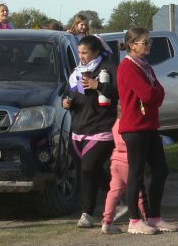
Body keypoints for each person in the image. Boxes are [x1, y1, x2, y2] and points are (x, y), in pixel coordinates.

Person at [117, 27, 177, 235]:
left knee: (161, 170)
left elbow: (158, 92)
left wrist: (154, 95)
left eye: (149, 42)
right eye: (145, 42)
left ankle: (154, 217)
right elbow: (149, 95)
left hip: (150, 126)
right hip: (135, 127)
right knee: (136, 174)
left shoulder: (145, 66)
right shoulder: (127, 67)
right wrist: (154, 95)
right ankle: (134, 220)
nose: (149, 45)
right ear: (132, 45)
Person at [62, 35, 118, 229]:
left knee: (88, 167)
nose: (81, 56)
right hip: (78, 127)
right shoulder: (78, 71)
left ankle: (86, 213)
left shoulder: (108, 69)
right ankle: (119, 198)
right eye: (79, 52)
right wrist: (67, 101)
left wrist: (99, 86)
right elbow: (73, 93)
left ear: (96, 52)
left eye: (85, 52)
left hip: (101, 127)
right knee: (88, 170)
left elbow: (119, 92)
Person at [101, 108, 146, 234]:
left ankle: (107, 221)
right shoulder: (128, 126)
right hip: (128, 162)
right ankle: (147, 217)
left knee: (113, 193)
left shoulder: (115, 124)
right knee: (139, 191)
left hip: (115, 161)